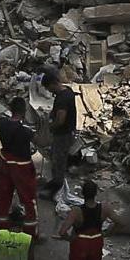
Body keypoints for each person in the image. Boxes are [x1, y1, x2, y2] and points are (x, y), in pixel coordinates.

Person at [0, 96, 39, 228]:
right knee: (28, 199)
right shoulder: (25, 132)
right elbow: (41, 141)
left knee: (3, 195)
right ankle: (31, 231)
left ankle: (1, 227)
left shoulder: (1, 123)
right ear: (24, 112)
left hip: (5, 162)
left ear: (10, 109)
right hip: (21, 167)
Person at [60, 182, 105, 260]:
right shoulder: (104, 208)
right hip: (96, 242)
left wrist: (70, 239)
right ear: (96, 193)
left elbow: (62, 231)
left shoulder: (76, 211)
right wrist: (108, 233)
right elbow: (121, 222)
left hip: (80, 244)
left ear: (82, 193)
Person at [41, 64, 79, 194]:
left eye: (48, 88)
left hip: (63, 134)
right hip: (68, 132)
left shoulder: (62, 98)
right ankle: (56, 181)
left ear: (53, 83)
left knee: (58, 161)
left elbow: (60, 120)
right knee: (58, 159)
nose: (49, 91)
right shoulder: (67, 91)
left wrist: (50, 127)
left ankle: (57, 187)